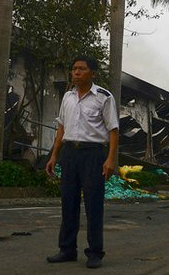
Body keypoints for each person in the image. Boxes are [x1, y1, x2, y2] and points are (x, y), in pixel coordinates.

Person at [45, 55, 119, 269]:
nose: (76, 72)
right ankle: (67, 250)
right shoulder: (67, 97)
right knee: (68, 203)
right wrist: (53, 156)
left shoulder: (104, 97)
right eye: (74, 68)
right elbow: (61, 128)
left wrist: (109, 160)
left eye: (81, 69)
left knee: (94, 205)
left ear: (92, 73)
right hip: (70, 153)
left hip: (93, 155)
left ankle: (95, 252)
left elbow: (113, 130)